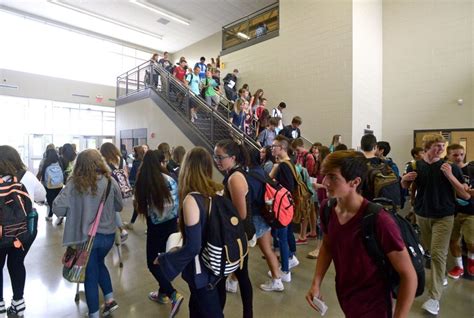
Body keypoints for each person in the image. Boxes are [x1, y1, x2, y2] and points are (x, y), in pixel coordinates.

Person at [306, 150, 417, 318]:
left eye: (333, 177)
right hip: (345, 295)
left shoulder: (379, 220)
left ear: (355, 182)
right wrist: (316, 282)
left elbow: (408, 275)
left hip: (374, 304)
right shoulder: (327, 208)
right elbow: (328, 247)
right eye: (325, 176)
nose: (325, 182)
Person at [402, 134, 470, 315]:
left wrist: (450, 176)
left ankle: (434, 298)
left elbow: (465, 195)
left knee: (439, 254)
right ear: (427, 147)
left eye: (442, 146)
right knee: (430, 252)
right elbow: (406, 187)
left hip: (444, 216)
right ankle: (440, 277)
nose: (441, 149)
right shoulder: (416, 165)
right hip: (422, 215)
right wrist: (405, 179)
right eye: (437, 146)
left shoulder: (450, 167)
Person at [53, 149, 123, 318]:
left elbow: (57, 208)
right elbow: (119, 206)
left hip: (86, 239)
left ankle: (93, 314)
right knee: (100, 263)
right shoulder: (110, 181)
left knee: (90, 276)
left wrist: (77, 209)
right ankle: (109, 300)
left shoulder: (74, 184)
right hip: (108, 237)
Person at [156, 147, 225, 318]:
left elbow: (193, 246)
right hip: (218, 263)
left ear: (187, 168)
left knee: (210, 312)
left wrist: (165, 259)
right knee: (197, 307)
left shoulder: (192, 199)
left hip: (201, 269)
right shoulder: (219, 191)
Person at [134, 150, 184, 315]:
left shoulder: (144, 182)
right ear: (160, 163)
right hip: (172, 226)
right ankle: (162, 294)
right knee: (163, 259)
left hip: (156, 228)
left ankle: (173, 294)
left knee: (152, 263)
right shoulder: (170, 179)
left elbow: (142, 208)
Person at [0, 145, 46, 317]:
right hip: (24, 232)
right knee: (17, 263)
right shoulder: (28, 176)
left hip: (1, 232)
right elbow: (42, 197)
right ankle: (18, 304)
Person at [213, 140, 253, 317]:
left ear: (233, 158)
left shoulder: (235, 178)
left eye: (220, 157)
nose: (217, 161)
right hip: (236, 235)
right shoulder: (233, 174)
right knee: (239, 276)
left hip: (237, 236)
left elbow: (241, 214)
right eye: (215, 157)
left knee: (239, 277)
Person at [270, 136, 300, 280]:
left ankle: (285, 271)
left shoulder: (282, 165)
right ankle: (289, 258)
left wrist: (274, 181)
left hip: (283, 206)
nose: (272, 148)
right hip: (288, 204)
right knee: (286, 233)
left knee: (282, 236)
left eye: (274, 146)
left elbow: (287, 187)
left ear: (281, 148)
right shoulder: (289, 163)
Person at [445, 144, 474, 278]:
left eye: (461, 154)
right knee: (453, 240)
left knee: (471, 242)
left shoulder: (471, 169)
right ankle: (459, 266)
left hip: (471, 211)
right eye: (455, 155)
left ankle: (471, 262)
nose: (459, 157)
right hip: (452, 211)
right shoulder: (445, 170)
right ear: (448, 155)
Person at [292, 138, 317, 245]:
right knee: (310, 210)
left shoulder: (309, 156)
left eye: (297, 149)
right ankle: (313, 231)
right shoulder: (300, 156)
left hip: (307, 187)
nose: (296, 152)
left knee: (306, 211)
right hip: (304, 186)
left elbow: (309, 172)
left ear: (302, 146)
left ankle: (303, 236)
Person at [307, 145, 330, 259]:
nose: (316, 154)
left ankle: (319, 248)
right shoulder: (321, 167)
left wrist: (319, 185)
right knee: (320, 224)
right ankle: (320, 247)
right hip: (322, 198)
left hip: (326, 199)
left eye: (318, 153)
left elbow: (331, 186)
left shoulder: (328, 169)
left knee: (322, 224)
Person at [39, 148, 64, 222]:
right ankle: (59, 215)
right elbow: (62, 172)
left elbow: (43, 173)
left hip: (49, 186)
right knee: (57, 199)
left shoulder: (46, 162)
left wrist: (43, 183)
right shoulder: (59, 162)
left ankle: (50, 215)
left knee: (50, 200)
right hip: (59, 184)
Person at [125, 145, 145, 230]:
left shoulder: (136, 163)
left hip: (137, 187)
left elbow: (132, 177)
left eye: (134, 152)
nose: (132, 153)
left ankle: (131, 223)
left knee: (137, 205)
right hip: (144, 186)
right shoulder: (144, 161)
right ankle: (131, 222)